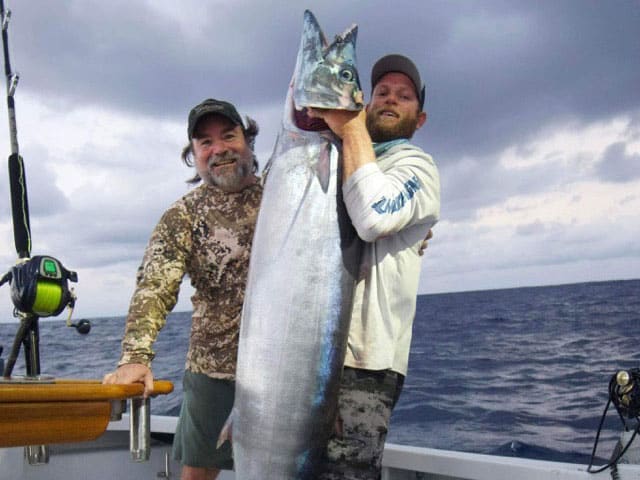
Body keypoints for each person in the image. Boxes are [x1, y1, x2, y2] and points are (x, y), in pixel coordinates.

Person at [102, 98, 262, 480]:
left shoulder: (287, 195)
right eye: (205, 143)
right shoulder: (183, 216)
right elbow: (154, 286)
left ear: (248, 140)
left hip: (287, 369)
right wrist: (135, 356)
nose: (219, 148)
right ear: (193, 154)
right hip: (214, 372)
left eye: (228, 135)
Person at [314, 54, 441, 479]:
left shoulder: (418, 168)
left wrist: (349, 126)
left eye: (403, 96)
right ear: (368, 103)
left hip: (365, 366)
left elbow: (372, 218)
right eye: (382, 92)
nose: (390, 99)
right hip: (311, 354)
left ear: (418, 119)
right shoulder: (342, 154)